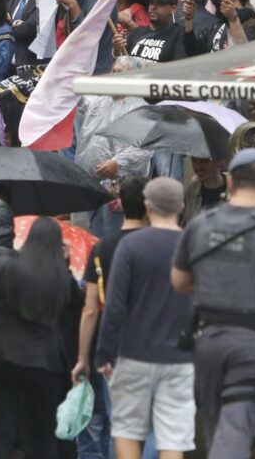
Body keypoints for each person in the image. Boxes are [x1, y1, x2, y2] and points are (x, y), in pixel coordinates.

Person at [171, 149, 255, 459]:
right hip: (251, 344)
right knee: (235, 430)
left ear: (230, 181)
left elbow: (179, 282)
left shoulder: (199, 225)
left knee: (216, 427)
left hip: (206, 342)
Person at [97, 178, 196, 459]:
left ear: (147, 206)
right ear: (181, 206)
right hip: (179, 356)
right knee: (172, 437)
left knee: (127, 430)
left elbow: (114, 307)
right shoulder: (192, 247)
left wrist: (105, 353)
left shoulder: (131, 247)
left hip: (133, 353)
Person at [0, 213, 73, 459]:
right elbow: (73, 313)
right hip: (45, 363)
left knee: (2, 432)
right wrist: (67, 260)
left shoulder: (4, 266)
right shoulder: (62, 277)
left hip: (0, 356)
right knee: (43, 435)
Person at [73, 177, 148, 459]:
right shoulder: (162, 245)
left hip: (112, 345)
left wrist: (82, 357)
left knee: (117, 421)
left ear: (120, 205)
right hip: (152, 345)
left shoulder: (102, 249)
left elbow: (90, 309)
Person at [75, 57, 152, 240]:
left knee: (114, 239)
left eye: (122, 72)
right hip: (92, 184)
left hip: (120, 190)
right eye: (114, 71)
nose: (116, 75)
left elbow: (142, 148)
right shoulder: (99, 101)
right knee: (91, 237)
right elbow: (78, 98)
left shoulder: (139, 109)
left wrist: (117, 164)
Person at [112, 0, 186, 64]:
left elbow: (177, 68)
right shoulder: (136, 32)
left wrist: (140, 65)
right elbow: (122, 64)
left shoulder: (179, 34)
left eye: (160, 3)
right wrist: (117, 50)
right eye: (151, 2)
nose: (153, 7)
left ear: (172, 9)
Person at [9, 0, 48, 74]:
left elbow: (29, 30)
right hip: (10, 68)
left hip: (33, 69)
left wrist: (9, 22)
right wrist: (15, 24)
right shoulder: (14, 1)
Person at [181, 155, 228, 225]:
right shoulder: (191, 191)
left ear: (219, 161)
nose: (198, 167)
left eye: (205, 160)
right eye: (194, 160)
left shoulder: (235, 193)